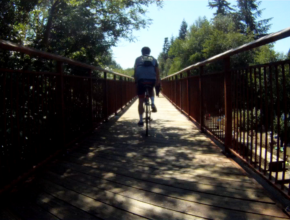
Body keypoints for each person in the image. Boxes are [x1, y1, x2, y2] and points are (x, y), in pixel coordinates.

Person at [134, 46, 160, 126]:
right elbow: (157, 71)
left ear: (141, 52)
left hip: (141, 80)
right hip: (151, 80)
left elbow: (135, 71)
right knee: (151, 88)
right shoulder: (153, 59)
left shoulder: (138, 59)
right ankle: (152, 103)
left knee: (141, 101)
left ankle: (141, 120)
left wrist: (136, 81)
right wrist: (157, 81)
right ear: (149, 52)